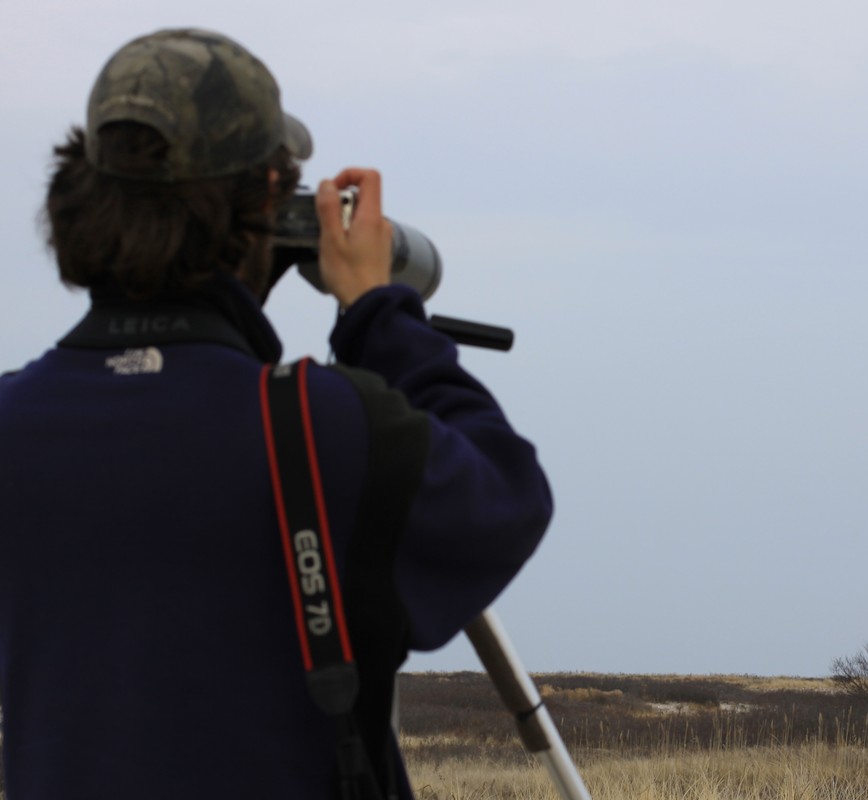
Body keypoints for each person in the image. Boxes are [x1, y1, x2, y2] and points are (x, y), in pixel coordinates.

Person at [0, 28, 552, 800]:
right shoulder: (321, 429)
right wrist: (379, 314)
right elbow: (506, 493)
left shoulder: (13, 423)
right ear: (266, 202)